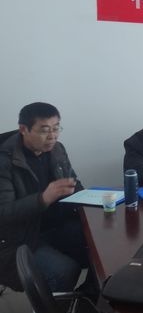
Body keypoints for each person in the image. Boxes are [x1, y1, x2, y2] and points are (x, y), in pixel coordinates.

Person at [0, 103, 88, 292]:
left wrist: (90, 198)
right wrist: (43, 198)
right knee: (64, 271)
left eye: (56, 129)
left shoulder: (57, 149)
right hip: (18, 239)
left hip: (56, 226)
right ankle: (55, 311)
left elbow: (73, 183)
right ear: (23, 129)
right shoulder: (4, 162)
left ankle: (89, 298)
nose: (52, 136)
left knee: (100, 246)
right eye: (45, 130)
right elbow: (4, 213)